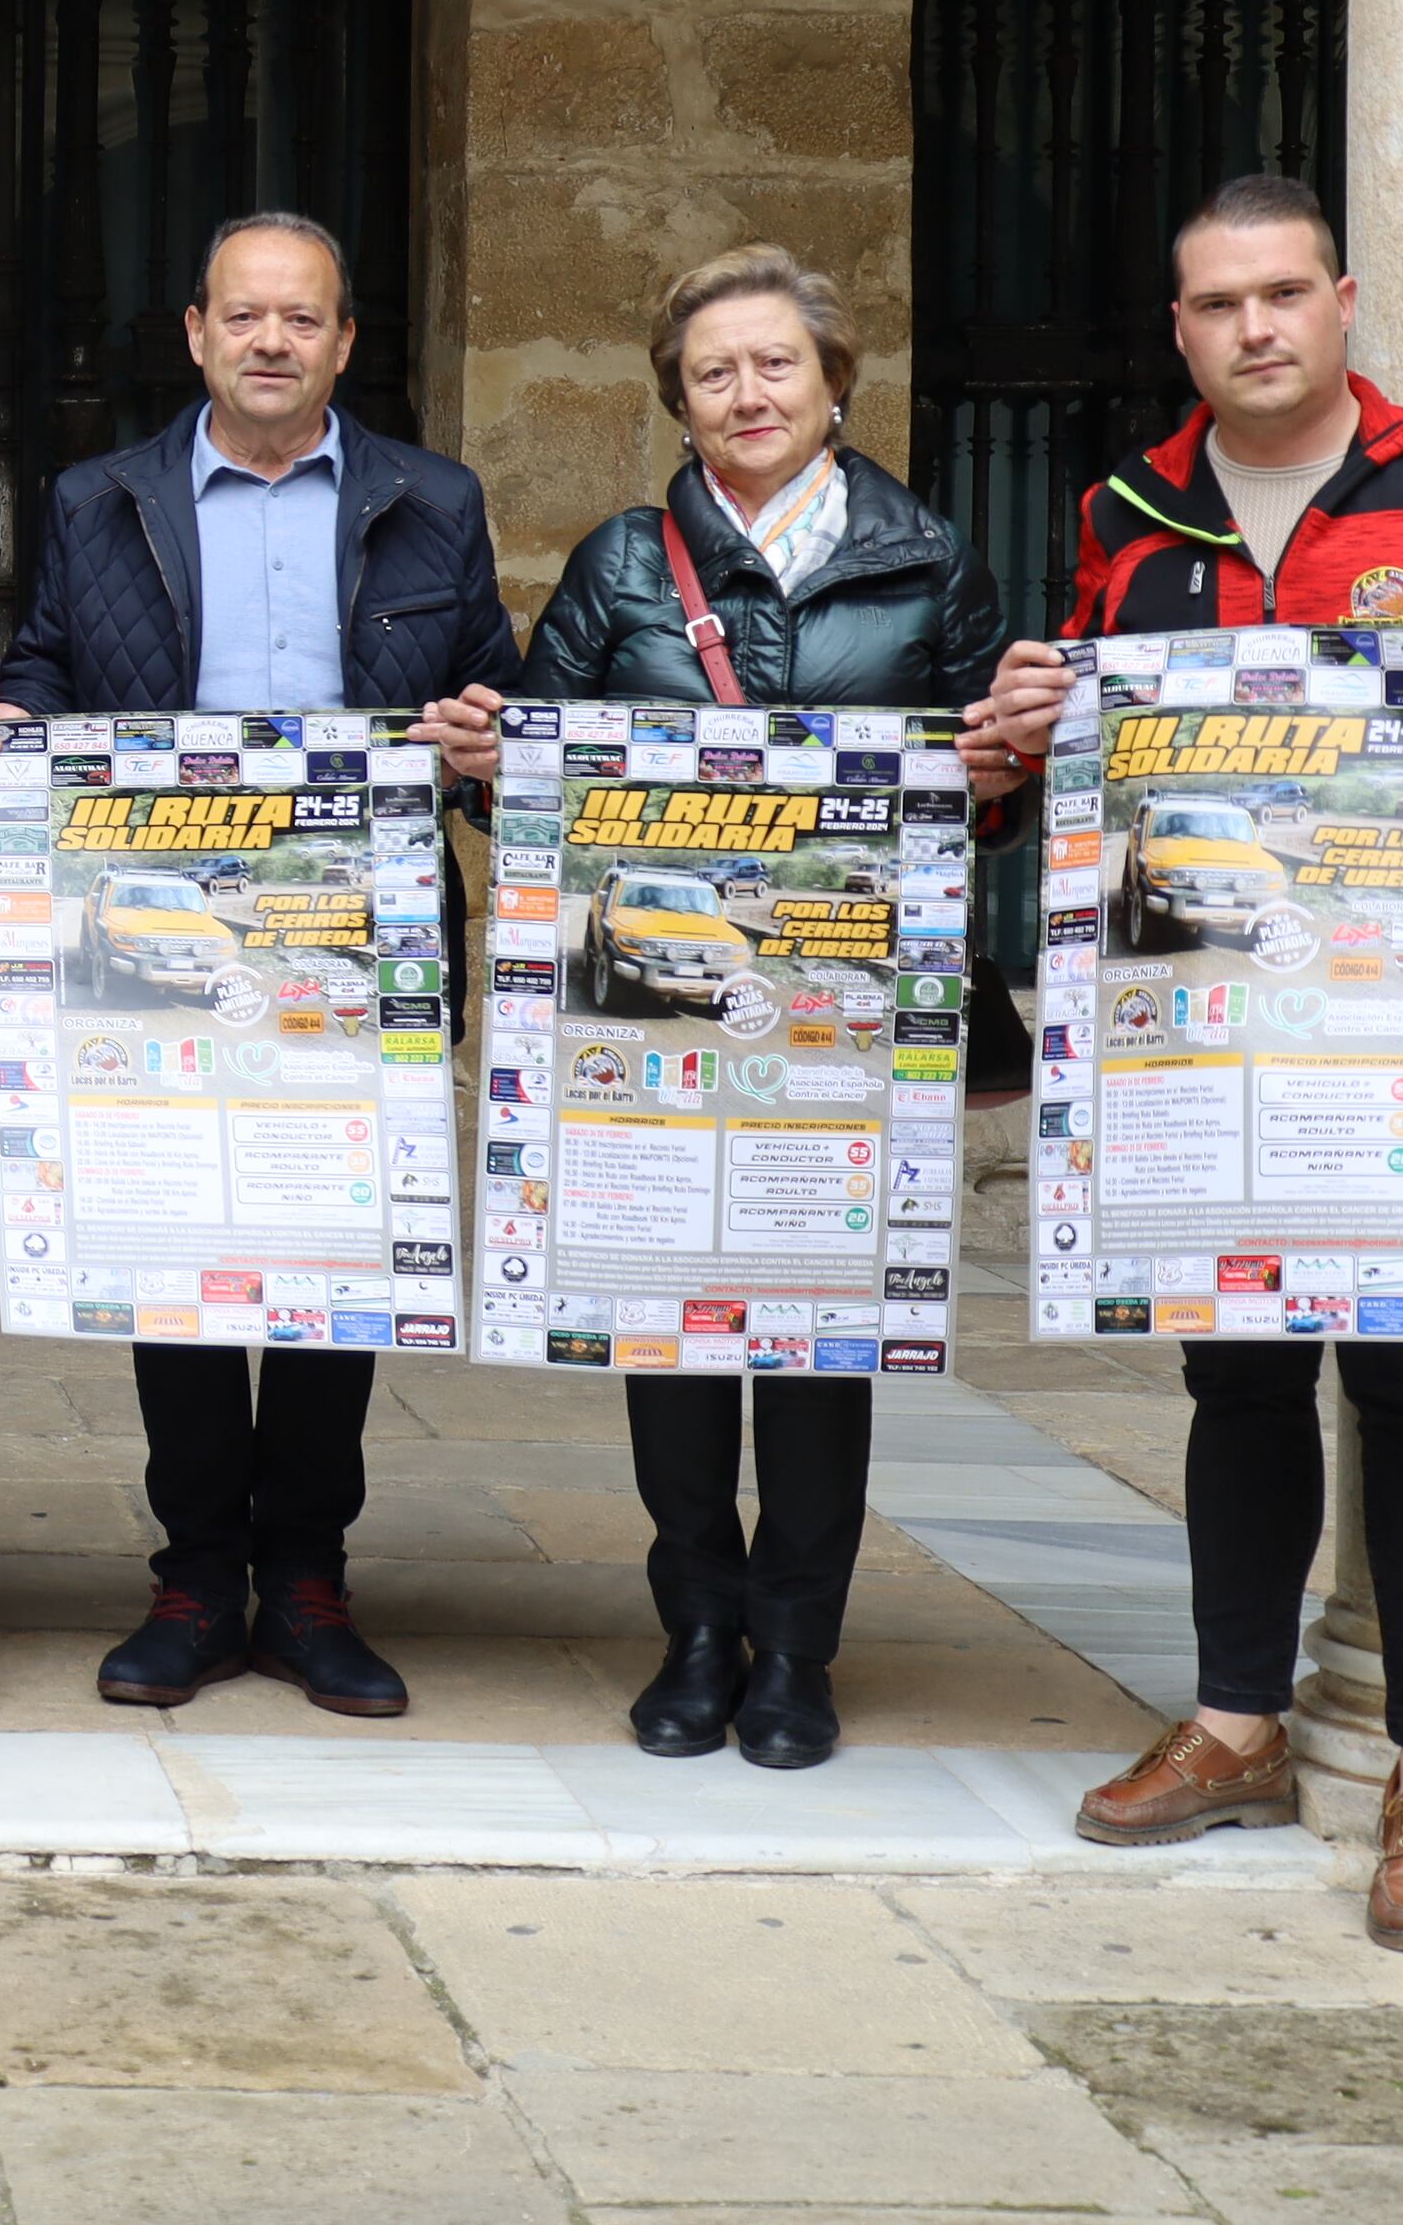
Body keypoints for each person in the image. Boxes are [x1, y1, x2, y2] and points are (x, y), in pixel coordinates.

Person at [971, 172, 1403, 1953]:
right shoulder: (1130, 515)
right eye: (1218, 303)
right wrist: (1021, 735)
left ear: (1342, 301)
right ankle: (1232, 1724)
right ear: (1181, 327)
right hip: (1204, 1037)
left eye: (1283, 293)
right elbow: (1081, 765)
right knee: (1235, 1380)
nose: (1255, 328)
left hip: (1396, 1039)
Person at [417, 244, 1015, 1771]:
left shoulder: (929, 557)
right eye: (713, 373)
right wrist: (491, 768)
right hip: (655, 1024)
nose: (747, 392)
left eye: (774, 364)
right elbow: (533, 805)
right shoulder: (622, 565)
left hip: (846, 1017)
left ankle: (799, 1647)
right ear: (677, 403)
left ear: (834, 382)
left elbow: (985, 801)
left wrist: (998, 776)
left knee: (820, 1337)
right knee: (666, 1329)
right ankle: (696, 1627)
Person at [0, 211, 518, 1721]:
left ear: (345, 343)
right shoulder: (100, 500)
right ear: (196, 333)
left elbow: (501, 708)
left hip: (365, 946)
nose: (273, 339)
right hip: (159, 939)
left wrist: (484, 746)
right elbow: (44, 670)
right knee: (178, 1253)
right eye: (245, 314)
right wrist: (17, 729)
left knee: (338, 1251)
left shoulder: (432, 499)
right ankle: (198, 1576)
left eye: (305, 317)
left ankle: (311, 1578)